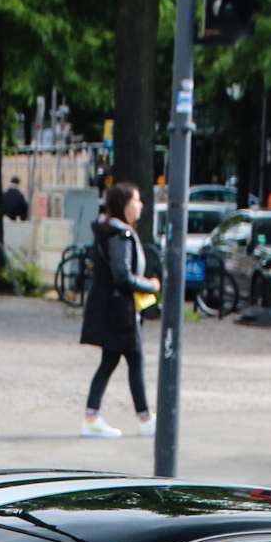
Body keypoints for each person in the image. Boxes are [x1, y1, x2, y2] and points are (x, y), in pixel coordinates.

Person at [79, 181, 160, 438]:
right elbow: (123, 276)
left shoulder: (111, 232)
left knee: (111, 360)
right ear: (125, 204)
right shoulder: (120, 235)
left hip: (112, 308)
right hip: (120, 310)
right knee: (134, 359)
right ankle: (145, 418)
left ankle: (93, 416)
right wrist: (151, 286)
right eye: (136, 200)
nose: (140, 205)